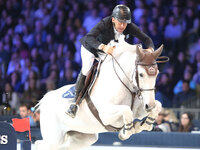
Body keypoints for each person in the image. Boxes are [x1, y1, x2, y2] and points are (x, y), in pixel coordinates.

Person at [66, 4, 155, 118]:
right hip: (91, 48)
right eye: (120, 22)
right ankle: (75, 103)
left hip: (109, 49)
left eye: (125, 23)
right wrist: (103, 47)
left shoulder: (129, 26)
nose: (123, 26)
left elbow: (147, 39)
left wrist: (150, 49)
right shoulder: (105, 23)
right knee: (86, 69)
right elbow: (89, 37)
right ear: (113, 19)